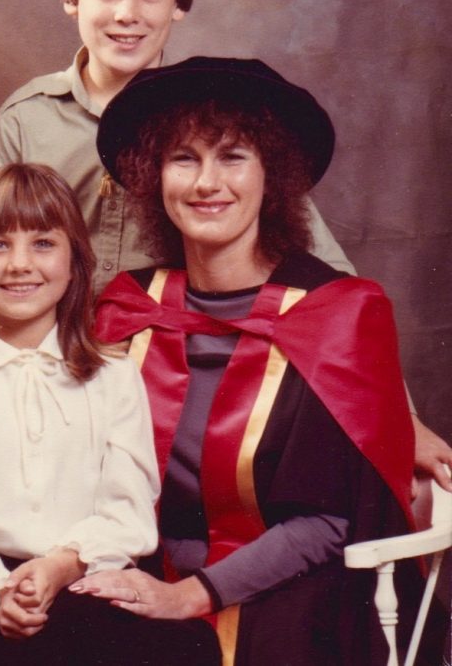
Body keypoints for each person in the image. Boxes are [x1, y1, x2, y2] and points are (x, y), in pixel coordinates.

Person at [0, 0, 452, 491]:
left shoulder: (208, 115)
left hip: (173, 375)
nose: (128, 14)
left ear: (180, 5)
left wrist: (402, 417)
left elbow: (331, 282)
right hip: (59, 366)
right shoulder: (27, 118)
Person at [69, 57, 441, 664]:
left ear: (273, 177)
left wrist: (188, 595)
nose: (206, 183)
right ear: (154, 177)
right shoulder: (128, 311)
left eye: (233, 157)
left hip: (292, 588)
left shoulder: (336, 313)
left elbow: (325, 522)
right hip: (140, 574)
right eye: (183, 158)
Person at [0, 163, 221, 665]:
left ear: (75, 262)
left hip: (86, 581)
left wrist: (61, 566)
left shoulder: (113, 377)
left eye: (43, 243)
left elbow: (129, 514)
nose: (20, 264)